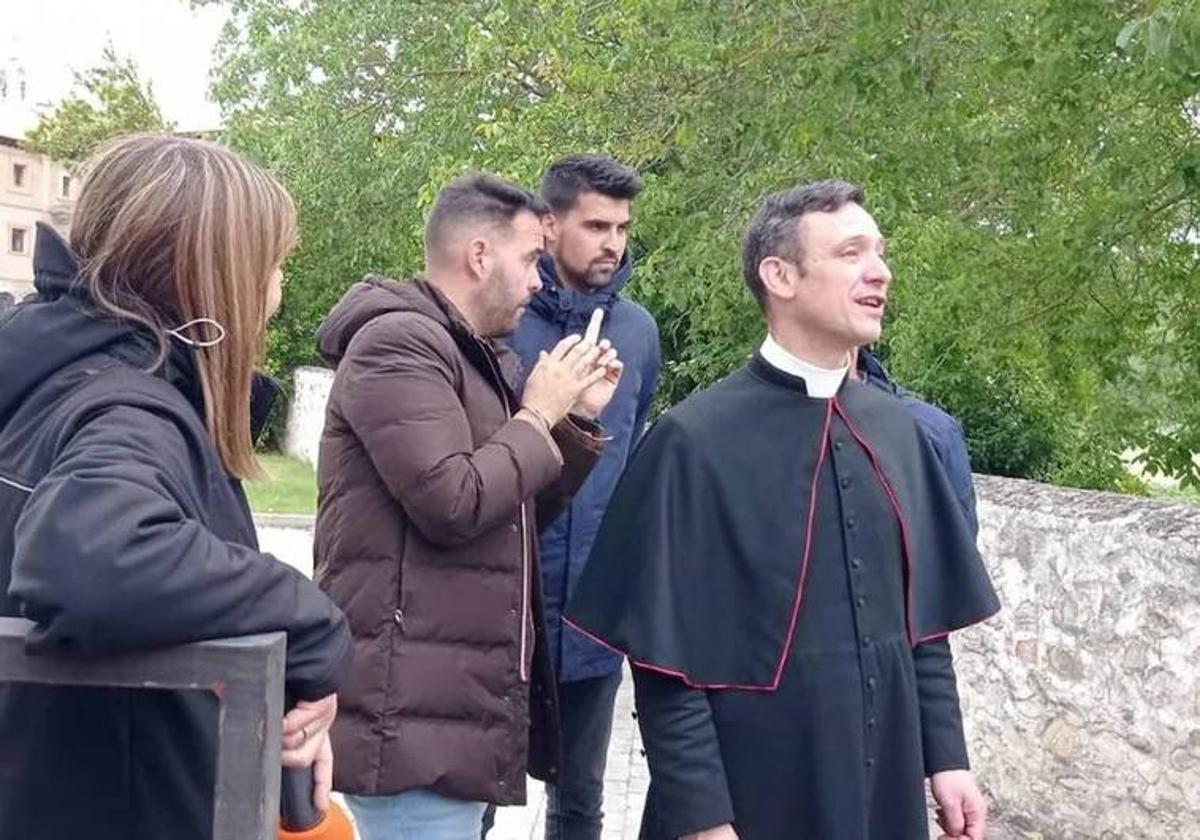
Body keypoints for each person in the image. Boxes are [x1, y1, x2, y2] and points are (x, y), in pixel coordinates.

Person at [567, 180, 1000, 840]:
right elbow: (663, 665)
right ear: (780, 275)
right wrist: (704, 821)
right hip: (748, 796)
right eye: (851, 253)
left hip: (883, 788)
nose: (879, 271)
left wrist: (947, 758)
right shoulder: (693, 441)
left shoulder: (900, 431)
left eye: (879, 252)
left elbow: (923, 623)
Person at [0, 133, 352, 840]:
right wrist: (309, 622)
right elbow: (91, 557)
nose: (278, 291)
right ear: (221, 273)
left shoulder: (51, 379)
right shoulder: (130, 405)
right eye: (275, 265)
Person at [313, 172, 622, 839]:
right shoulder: (398, 344)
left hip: (450, 715)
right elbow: (453, 502)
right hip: (409, 724)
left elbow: (510, 518)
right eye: (529, 260)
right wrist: (538, 413)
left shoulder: (468, 354)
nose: (540, 282)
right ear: (479, 257)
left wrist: (570, 424)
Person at [506, 153, 660, 840]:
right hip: (505, 607)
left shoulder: (638, 333)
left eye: (622, 227)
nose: (614, 243)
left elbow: (627, 461)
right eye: (597, 225)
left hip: (596, 613)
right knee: (478, 790)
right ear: (548, 225)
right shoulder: (501, 321)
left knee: (579, 802)